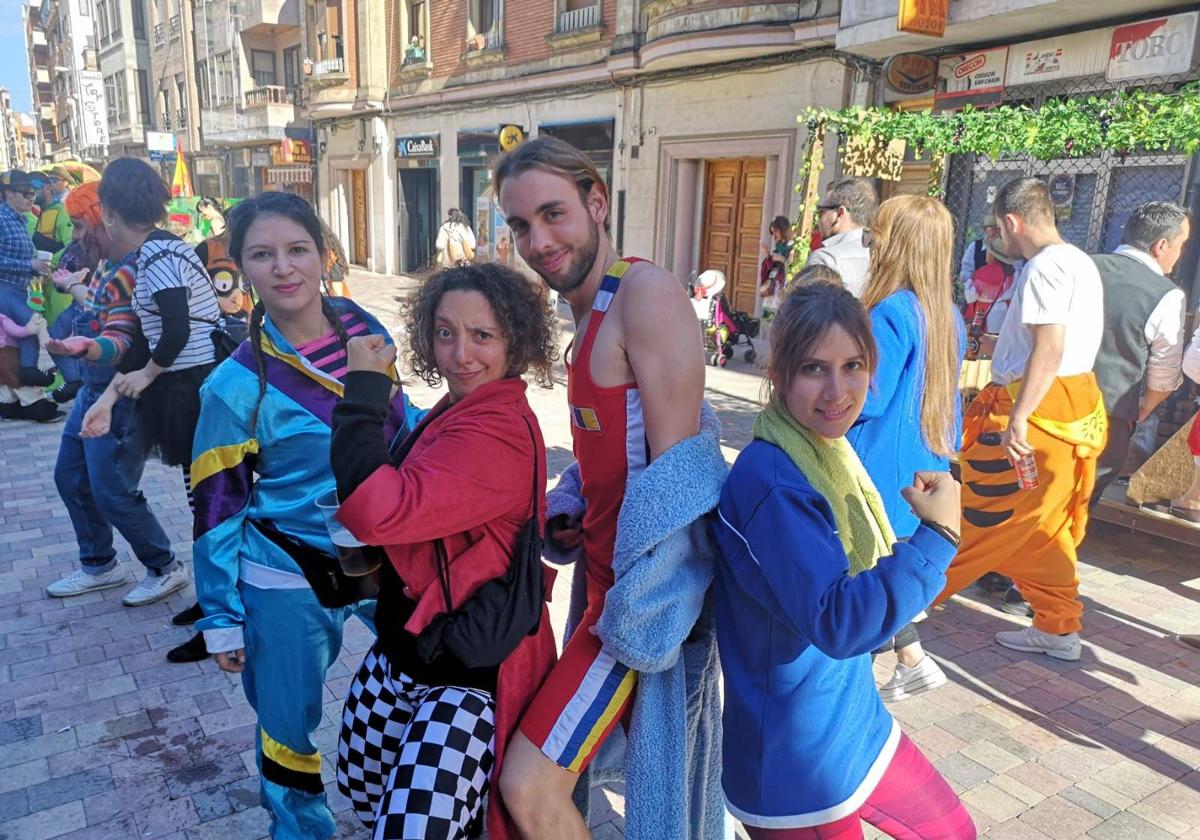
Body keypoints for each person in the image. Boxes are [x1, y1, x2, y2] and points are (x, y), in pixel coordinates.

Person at [494, 136, 709, 838]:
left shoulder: (644, 293)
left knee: (528, 785)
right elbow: (616, 453)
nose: (538, 240)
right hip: (602, 593)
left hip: (631, 610)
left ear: (597, 202)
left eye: (554, 214)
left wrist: (643, 613)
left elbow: (682, 476)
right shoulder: (589, 312)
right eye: (521, 225)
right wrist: (571, 501)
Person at [712, 281, 974, 839]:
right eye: (814, 369)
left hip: (851, 720)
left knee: (954, 832)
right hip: (795, 760)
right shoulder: (773, 483)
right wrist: (939, 536)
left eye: (853, 365)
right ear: (778, 375)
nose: (838, 390)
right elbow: (840, 620)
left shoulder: (828, 450)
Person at [192, 192, 416, 840]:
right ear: (239, 269)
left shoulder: (365, 330)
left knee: (436, 670)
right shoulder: (232, 387)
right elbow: (215, 509)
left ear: (324, 254)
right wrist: (220, 617)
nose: (284, 268)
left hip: (379, 550)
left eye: (297, 249)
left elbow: (403, 428)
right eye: (263, 255)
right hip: (286, 577)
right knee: (288, 731)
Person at [331, 262, 558, 840]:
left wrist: (361, 392)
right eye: (446, 332)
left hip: (464, 676)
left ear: (517, 341)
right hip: (407, 651)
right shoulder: (462, 407)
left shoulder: (496, 429)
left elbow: (377, 510)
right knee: (365, 792)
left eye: (484, 335)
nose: (462, 354)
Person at [934, 178, 1106, 662]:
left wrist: (1019, 418)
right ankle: (1057, 628)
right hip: (1068, 408)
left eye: (997, 228)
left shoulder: (1044, 269)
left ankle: (898, 613)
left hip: (1033, 412)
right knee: (1042, 529)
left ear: (1012, 222)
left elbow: (1049, 350)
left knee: (982, 521)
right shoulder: (1080, 262)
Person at [82, 159, 222, 631]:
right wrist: (109, 399)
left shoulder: (159, 258)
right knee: (203, 497)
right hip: (188, 385)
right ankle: (215, 602)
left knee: (208, 499)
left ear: (111, 213)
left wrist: (145, 376)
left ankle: (221, 608)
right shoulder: (163, 251)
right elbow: (150, 335)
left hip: (193, 387)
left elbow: (175, 330)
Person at [850, 195, 965, 702]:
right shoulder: (947, 315)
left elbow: (866, 399)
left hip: (874, 468)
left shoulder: (889, 311)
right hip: (922, 469)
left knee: (858, 592)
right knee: (881, 580)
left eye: (876, 235)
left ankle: (854, 699)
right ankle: (912, 660)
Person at [40, 181, 179, 603]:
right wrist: (71, 287)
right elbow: (102, 310)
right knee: (70, 478)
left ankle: (165, 566)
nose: (77, 237)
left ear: (106, 220)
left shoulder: (133, 267)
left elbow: (119, 335)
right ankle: (99, 564)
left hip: (119, 396)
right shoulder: (105, 265)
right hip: (92, 392)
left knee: (114, 492)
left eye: (82, 226)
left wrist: (87, 347)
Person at [1090, 202, 1191, 505]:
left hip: (1049, 404)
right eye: (1181, 245)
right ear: (1161, 245)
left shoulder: (1081, 266)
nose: (1182, 253)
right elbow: (1163, 380)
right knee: (1077, 508)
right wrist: (1140, 411)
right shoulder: (1166, 294)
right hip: (1108, 419)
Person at [0, 169, 57, 421]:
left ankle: (11, 400)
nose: (30, 198)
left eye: (32, 193)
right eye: (25, 193)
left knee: (16, 341)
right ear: (8, 193)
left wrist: (36, 267)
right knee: (31, 328)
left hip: (18, 287)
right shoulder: (1, 218)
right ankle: (29, 383)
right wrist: (28, 266)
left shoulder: (19, 219)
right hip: (4, 288)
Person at [805, 176, 878, 298]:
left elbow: (808, 313)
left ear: (839, 214)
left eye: (821, 211)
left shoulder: (826, 259)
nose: (819, 219)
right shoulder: (884, 255)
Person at [31, 168, 74, 257]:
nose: (30, 193)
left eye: (34, 189)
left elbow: (71, 245)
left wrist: (50, 262)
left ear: (47, 188)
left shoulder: (62, 212)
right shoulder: (38, 212)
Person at [957, 211, 1001, 294]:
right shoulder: (974, 247)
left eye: (998, 228)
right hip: (976, 294)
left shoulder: (1008, 248)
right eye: (992, 228)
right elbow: (964, 274)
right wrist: (977, 276)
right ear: (985, 230)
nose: (996, 231)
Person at [759, 215, 793, 320]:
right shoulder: (778, 247)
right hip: (773, 286)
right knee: (768, 317)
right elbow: (774, 266)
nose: (773, 235)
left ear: (783, 229)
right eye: (772, 232)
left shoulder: (792, 246)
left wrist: (781, 258)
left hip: (782, 287)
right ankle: (767, 333)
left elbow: (792, 266)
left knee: (779, 318)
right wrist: (769, 255)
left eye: (775, 231)